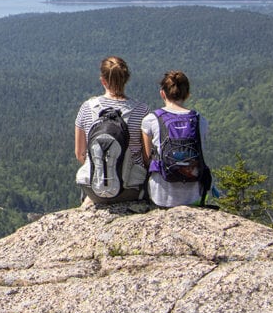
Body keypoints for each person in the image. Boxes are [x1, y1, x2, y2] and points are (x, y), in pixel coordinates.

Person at [74, 56, 150, 205]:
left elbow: (80, 154)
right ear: (126, 79)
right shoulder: (142, 110)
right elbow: (147, 157)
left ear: (103, 80)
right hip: (130, 189)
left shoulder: (87, 108)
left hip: (94, 189)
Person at [141, 70, 210, 208]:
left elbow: (147, 158)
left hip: (161, 195)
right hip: (193, 195)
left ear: (162, 93)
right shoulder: (200, 120)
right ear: (188, 94)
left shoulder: (151, 120)